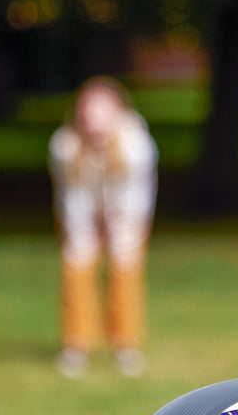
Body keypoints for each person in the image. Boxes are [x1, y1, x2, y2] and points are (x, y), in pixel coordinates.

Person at [49, 76, 158, 377]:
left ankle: (126, 346)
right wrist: (84, 230)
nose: (94, 120)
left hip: (126, 214)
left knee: (125, 270)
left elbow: (135, 195)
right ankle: (76, 345)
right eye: (88, 111)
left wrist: (118, 227)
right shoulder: (65, 145)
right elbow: (72, 195)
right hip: (81, 213)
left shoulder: (136, 145)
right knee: (76, 266)